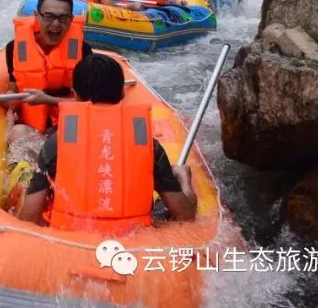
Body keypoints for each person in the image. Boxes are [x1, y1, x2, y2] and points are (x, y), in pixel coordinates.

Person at [18, 53, 197, 227]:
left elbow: (28, 217)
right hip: (133, 240)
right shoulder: (147, 144)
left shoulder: (56, 144)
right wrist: (184, 180)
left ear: (77, 96)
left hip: (72, 239)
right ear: (122, 93)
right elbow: (185, 215)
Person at [4, 0, 87, 134]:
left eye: (63, 18)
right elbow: (15, 95)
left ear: (71, 20)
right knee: (18, 132)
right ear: (37, 16)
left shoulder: (83, 51)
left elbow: (89, 104)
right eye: (49, 16)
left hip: (70, 127)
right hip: (33, 127)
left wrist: (47, 99)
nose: (56, 24)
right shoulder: (15, 48)